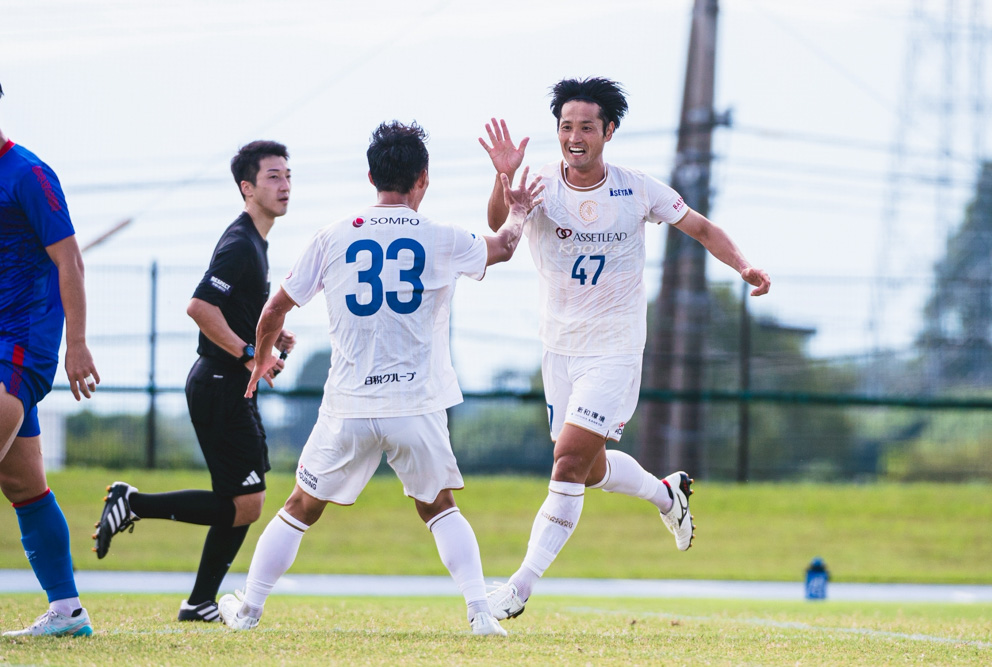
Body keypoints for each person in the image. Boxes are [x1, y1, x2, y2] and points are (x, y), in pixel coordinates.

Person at [216, 120, 543, 637]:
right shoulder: (439, 236)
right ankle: (481, 613)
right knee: (440, 508)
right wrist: (517, 205)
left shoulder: (333, 234)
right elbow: (502, 246)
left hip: (347, 405)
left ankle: (249, 610)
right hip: (415, 402)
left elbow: (276, 307)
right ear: (424, 179)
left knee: (299, 507)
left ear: (371, 175)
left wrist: (259, 358)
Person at [479, 77, 771, 621]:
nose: (574, 137)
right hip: (558, 348)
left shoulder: (636, 188)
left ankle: (517, 589)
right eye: (566, 127)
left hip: (614, 349)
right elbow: (498, 224)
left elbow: (703, 229)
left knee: (566, 463)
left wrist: (744, 266)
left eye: (586, 127)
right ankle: (667, 495)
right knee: (587, 470)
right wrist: (502, 177)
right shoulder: (539, 182)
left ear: (608, 131)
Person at [92, 140, 297, 623]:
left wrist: (267, 334)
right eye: (272, 177)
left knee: (243, 501)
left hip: (226, 383)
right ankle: (134, 504)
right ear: (247, 188)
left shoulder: (255, 241)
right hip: (220, 383)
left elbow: (229, 308)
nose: (285, 184)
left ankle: (199, 601)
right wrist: (251, 354)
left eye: (288, 175)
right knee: (246, 502)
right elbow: (200, 308)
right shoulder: (240, 243)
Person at [0, 81, 100, 637]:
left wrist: (77, 343)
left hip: (19, 347)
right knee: (24, 486)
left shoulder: (29, 174)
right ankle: (67, 610)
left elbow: (71, 263)